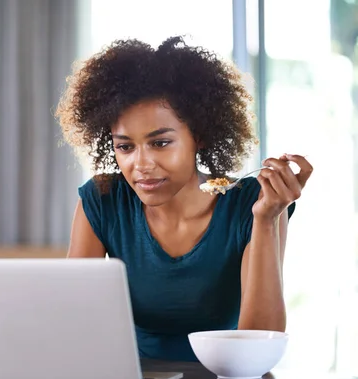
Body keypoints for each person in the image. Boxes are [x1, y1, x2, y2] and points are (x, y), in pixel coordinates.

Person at [55, 36, 313, 361]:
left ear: (199, 135)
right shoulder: (103, 199)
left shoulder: (255, 203)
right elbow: (72, 322)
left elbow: (260, 347)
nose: (141, 165)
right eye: (125, 147)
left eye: (160, 143)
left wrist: (264, 220)